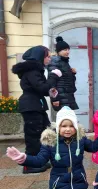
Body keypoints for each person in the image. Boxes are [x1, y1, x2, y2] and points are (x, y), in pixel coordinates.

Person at [11, 45, 62, 174]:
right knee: (33, 135)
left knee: (44, 132)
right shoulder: (33, 71)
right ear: (40, 57)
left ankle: (39, 160)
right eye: (47, 56)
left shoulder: (35, 70)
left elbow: (44, 90)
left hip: (35, 105)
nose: (49, 59)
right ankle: (29, 165)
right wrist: (53, 76)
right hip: (31, 106)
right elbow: (43, 88)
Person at [48, 36, 78, 111]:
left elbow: (68, 81)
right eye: (65, 50)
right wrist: (55, 99)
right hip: (61, 98)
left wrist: (72, 74)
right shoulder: (55, 62)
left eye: (68, 49)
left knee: (69, 121)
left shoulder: (64, 62)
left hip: (68, 97)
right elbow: (52, 83)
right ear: (58, 51)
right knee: (64, 121)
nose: (67, 52)